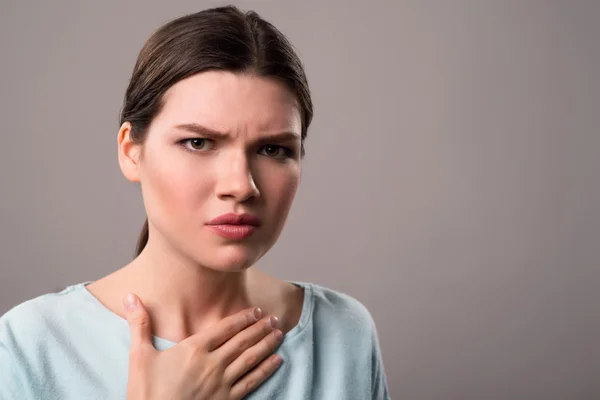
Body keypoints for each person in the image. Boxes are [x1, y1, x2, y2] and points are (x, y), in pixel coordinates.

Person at [0, 5, 390, 399]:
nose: (241, 186)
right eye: (198, 143)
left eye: (273, 149)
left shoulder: (343, 333)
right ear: (131, 151)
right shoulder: (31, 346)